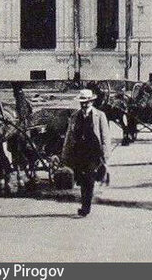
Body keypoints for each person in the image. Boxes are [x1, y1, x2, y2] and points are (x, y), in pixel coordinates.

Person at [61, 88, 111, 218]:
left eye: (87, 102)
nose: (84, 105)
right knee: (81, 180)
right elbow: (69, 136)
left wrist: (105, 156)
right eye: (82, 102)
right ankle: (85, 204)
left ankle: (85, 207)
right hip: (79, 153)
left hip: (93, 153)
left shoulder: (99, 116)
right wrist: (65, 154)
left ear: (92, 102)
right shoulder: (75, 116)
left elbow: (105, 137)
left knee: (89, 179)